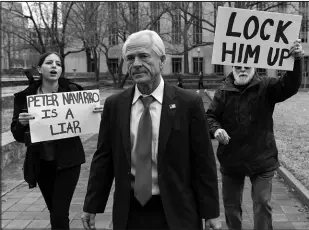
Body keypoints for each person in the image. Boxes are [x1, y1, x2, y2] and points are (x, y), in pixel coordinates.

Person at [81, 30, 221, 230]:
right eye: (130, 58)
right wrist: (92, 204)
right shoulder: (115, 105)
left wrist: (211, 212)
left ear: (162, 60)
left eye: (144, 56)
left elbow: (203, 162)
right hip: (130, 211)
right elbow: (104, 158)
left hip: (177, 210)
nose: (136, 63)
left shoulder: (188, 103)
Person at [206, 39, 304, 230]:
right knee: (231, 208)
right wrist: (216, 129)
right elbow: (210, 116)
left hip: (262, 158)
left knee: (262, 204)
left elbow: (290, 86)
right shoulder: (222, 92)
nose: (242, 70)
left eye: (246, 66)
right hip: (231, 159)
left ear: (254, 67)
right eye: (238, 66)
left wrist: (296, 61)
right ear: (232, 68)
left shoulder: (267, 86)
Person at [11, 52, 101, 229]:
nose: (54, 66)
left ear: (61, 70)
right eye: (49, 63)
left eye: (58, 64)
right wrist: (22, 123)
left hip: (68, 162)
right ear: (39, 69)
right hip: (41, 162)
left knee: (59, 213)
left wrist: (94, 112)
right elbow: (17, 135)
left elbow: (83, 120)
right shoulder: (25, 97)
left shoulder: (74, 91)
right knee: (55, 212)